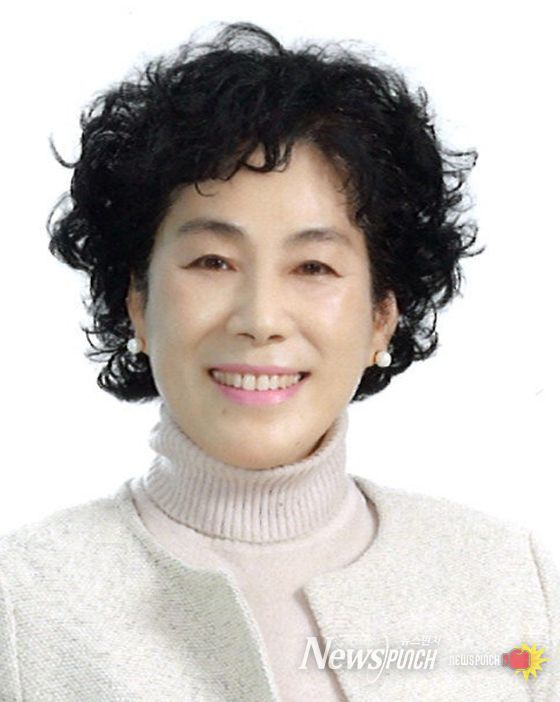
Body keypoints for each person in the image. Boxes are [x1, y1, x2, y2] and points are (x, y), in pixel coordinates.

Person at [0, 20, 558, 702]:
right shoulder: (22, 607)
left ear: (382, 315)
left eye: (313, 266)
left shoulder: (511, 583)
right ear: (137, 302)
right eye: (213, 261)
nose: (261, 318)